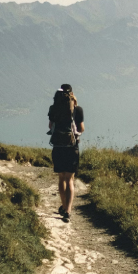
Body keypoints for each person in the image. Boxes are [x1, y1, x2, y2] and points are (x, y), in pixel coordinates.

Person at [48, 84, 84, 223]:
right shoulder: (78, 109)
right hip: (72, 147)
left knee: (61, 178)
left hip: (58, 146)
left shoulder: (54, 108)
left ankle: (63, 206)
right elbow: (81, 128)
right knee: (70, 179)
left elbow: (50, 126)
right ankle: (68, 211)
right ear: (72, 94)